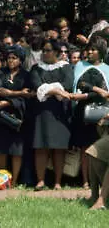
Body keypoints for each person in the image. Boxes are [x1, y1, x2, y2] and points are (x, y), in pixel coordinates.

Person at [30, 39, 74, 191]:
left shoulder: (66, 67)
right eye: (44, 50)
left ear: (56, 52)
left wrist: (49, 89)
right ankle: (40, 180)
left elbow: (67, 84)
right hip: (41, 111)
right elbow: (37, 85)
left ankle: (57, 182)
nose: (45, 53)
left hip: (60, 112)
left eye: (48, 50)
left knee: (59, 148)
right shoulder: (36, 68)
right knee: (41, 146)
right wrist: (56, 90)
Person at [0, 45, 33, 186]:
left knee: (17, 150)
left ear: (20, 60)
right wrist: (19, 93)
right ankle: (4, 180)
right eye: (8, 58)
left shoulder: (26, 75)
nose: (10, 61)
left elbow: (29, 95)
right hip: (1, 116)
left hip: (19, 117)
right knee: (1, 149)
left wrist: (7, 100)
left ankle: (14, 181)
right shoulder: (0, 73)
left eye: (14, 58)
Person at [71, 37, 109, 190]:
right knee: (85, 148)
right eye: (89, 49)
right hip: (83, 112)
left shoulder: (107, 68)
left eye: (94, 49)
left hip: (103, 113)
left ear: (101, 52)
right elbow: (80, 84)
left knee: (100, 148)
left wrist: (100, 93)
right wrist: (98, 90)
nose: (90, 52)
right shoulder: (80, 65)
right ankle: (86, 181)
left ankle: (101, 182)